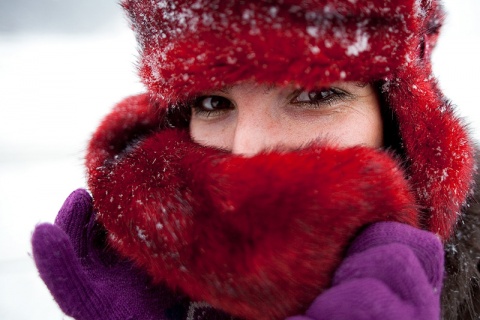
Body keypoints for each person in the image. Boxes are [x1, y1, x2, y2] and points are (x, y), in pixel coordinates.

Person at [31, 0, 480, 319]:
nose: (248, 149)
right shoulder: (147, 274)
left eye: (315, 94)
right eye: (212, 103)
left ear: (399, 117)